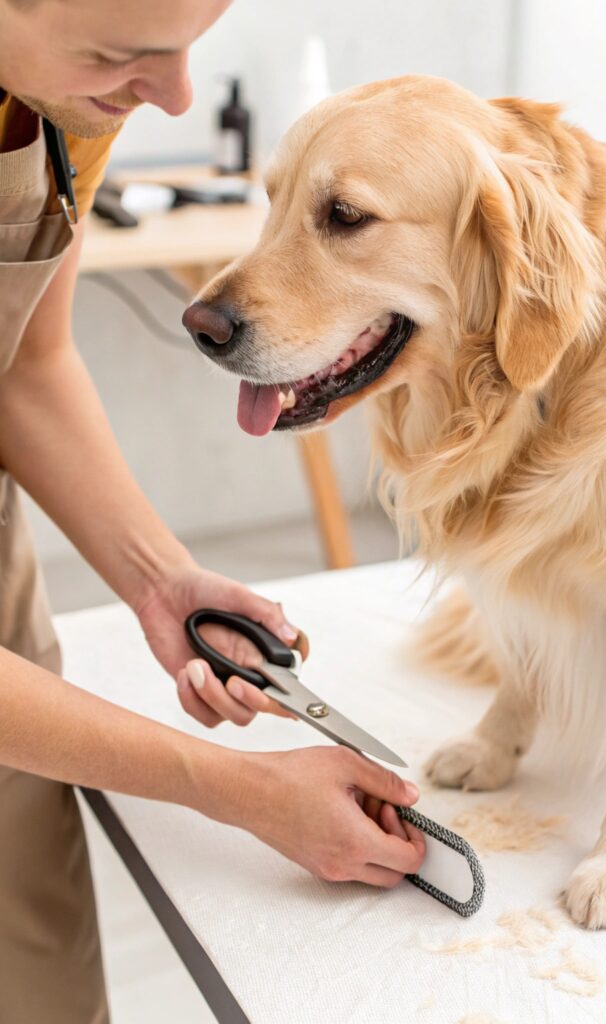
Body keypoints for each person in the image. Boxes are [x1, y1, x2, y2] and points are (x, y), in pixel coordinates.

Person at [0, 1, 426, 1020]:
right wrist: (231, 786)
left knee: (32, 966)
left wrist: (160, 581)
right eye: (123, 54)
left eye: (188, 44)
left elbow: (26, 369)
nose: (176, 96)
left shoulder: (65, 99)